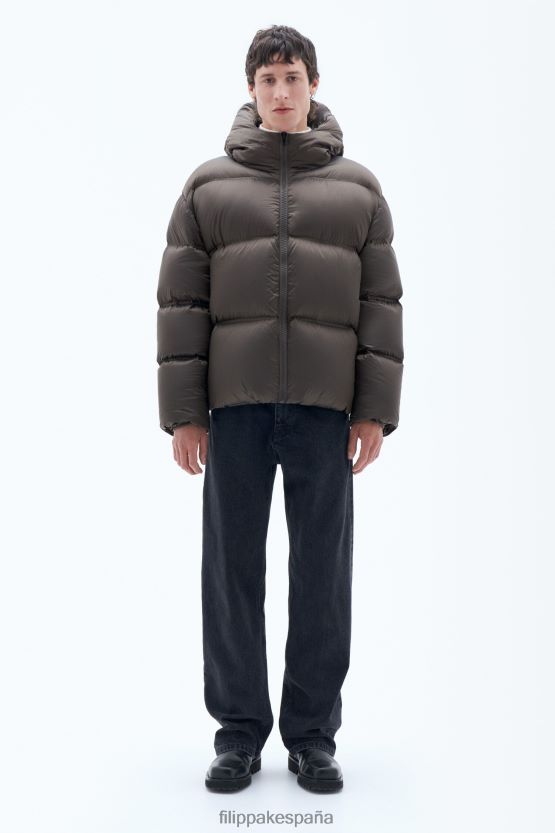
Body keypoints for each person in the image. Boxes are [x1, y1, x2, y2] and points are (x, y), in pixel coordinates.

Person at [156, 24, 404, 793]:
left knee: (321, 574)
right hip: (232, 412)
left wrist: (372, 410)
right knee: (230, 572)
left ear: (313, 84)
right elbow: (180, 305)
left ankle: (311, 736)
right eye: (267, 79)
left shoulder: (358, 190)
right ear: (251, 90)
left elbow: (381, 305)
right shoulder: (208, 187)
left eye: (292, 76)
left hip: (325, 412)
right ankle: (237, 733)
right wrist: (184, 413)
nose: (281, 90)